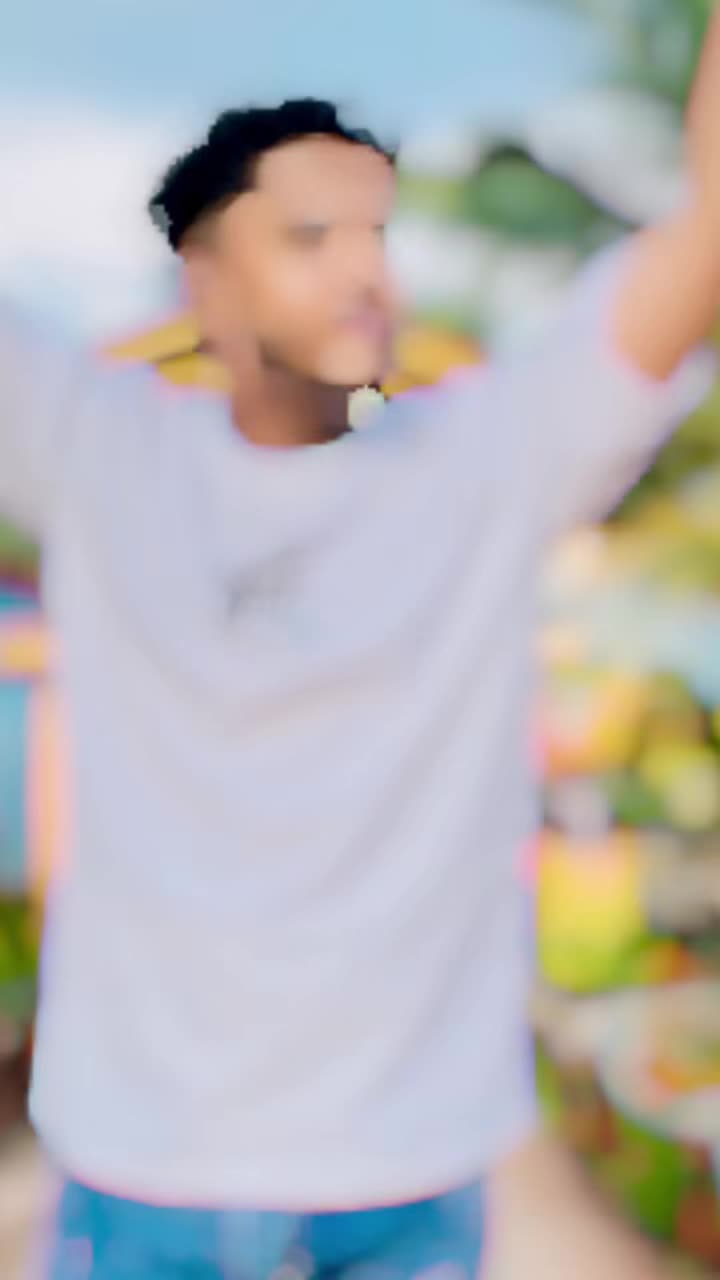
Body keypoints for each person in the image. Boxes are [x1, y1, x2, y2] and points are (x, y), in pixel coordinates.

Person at [3, 16, 720, 1277]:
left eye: (375, 233)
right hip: (139, 1175)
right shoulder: (94, 446)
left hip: (408, 1178)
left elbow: (704, 235)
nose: (365, 272)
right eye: (308, 236)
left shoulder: (489, 462)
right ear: (205, 279)